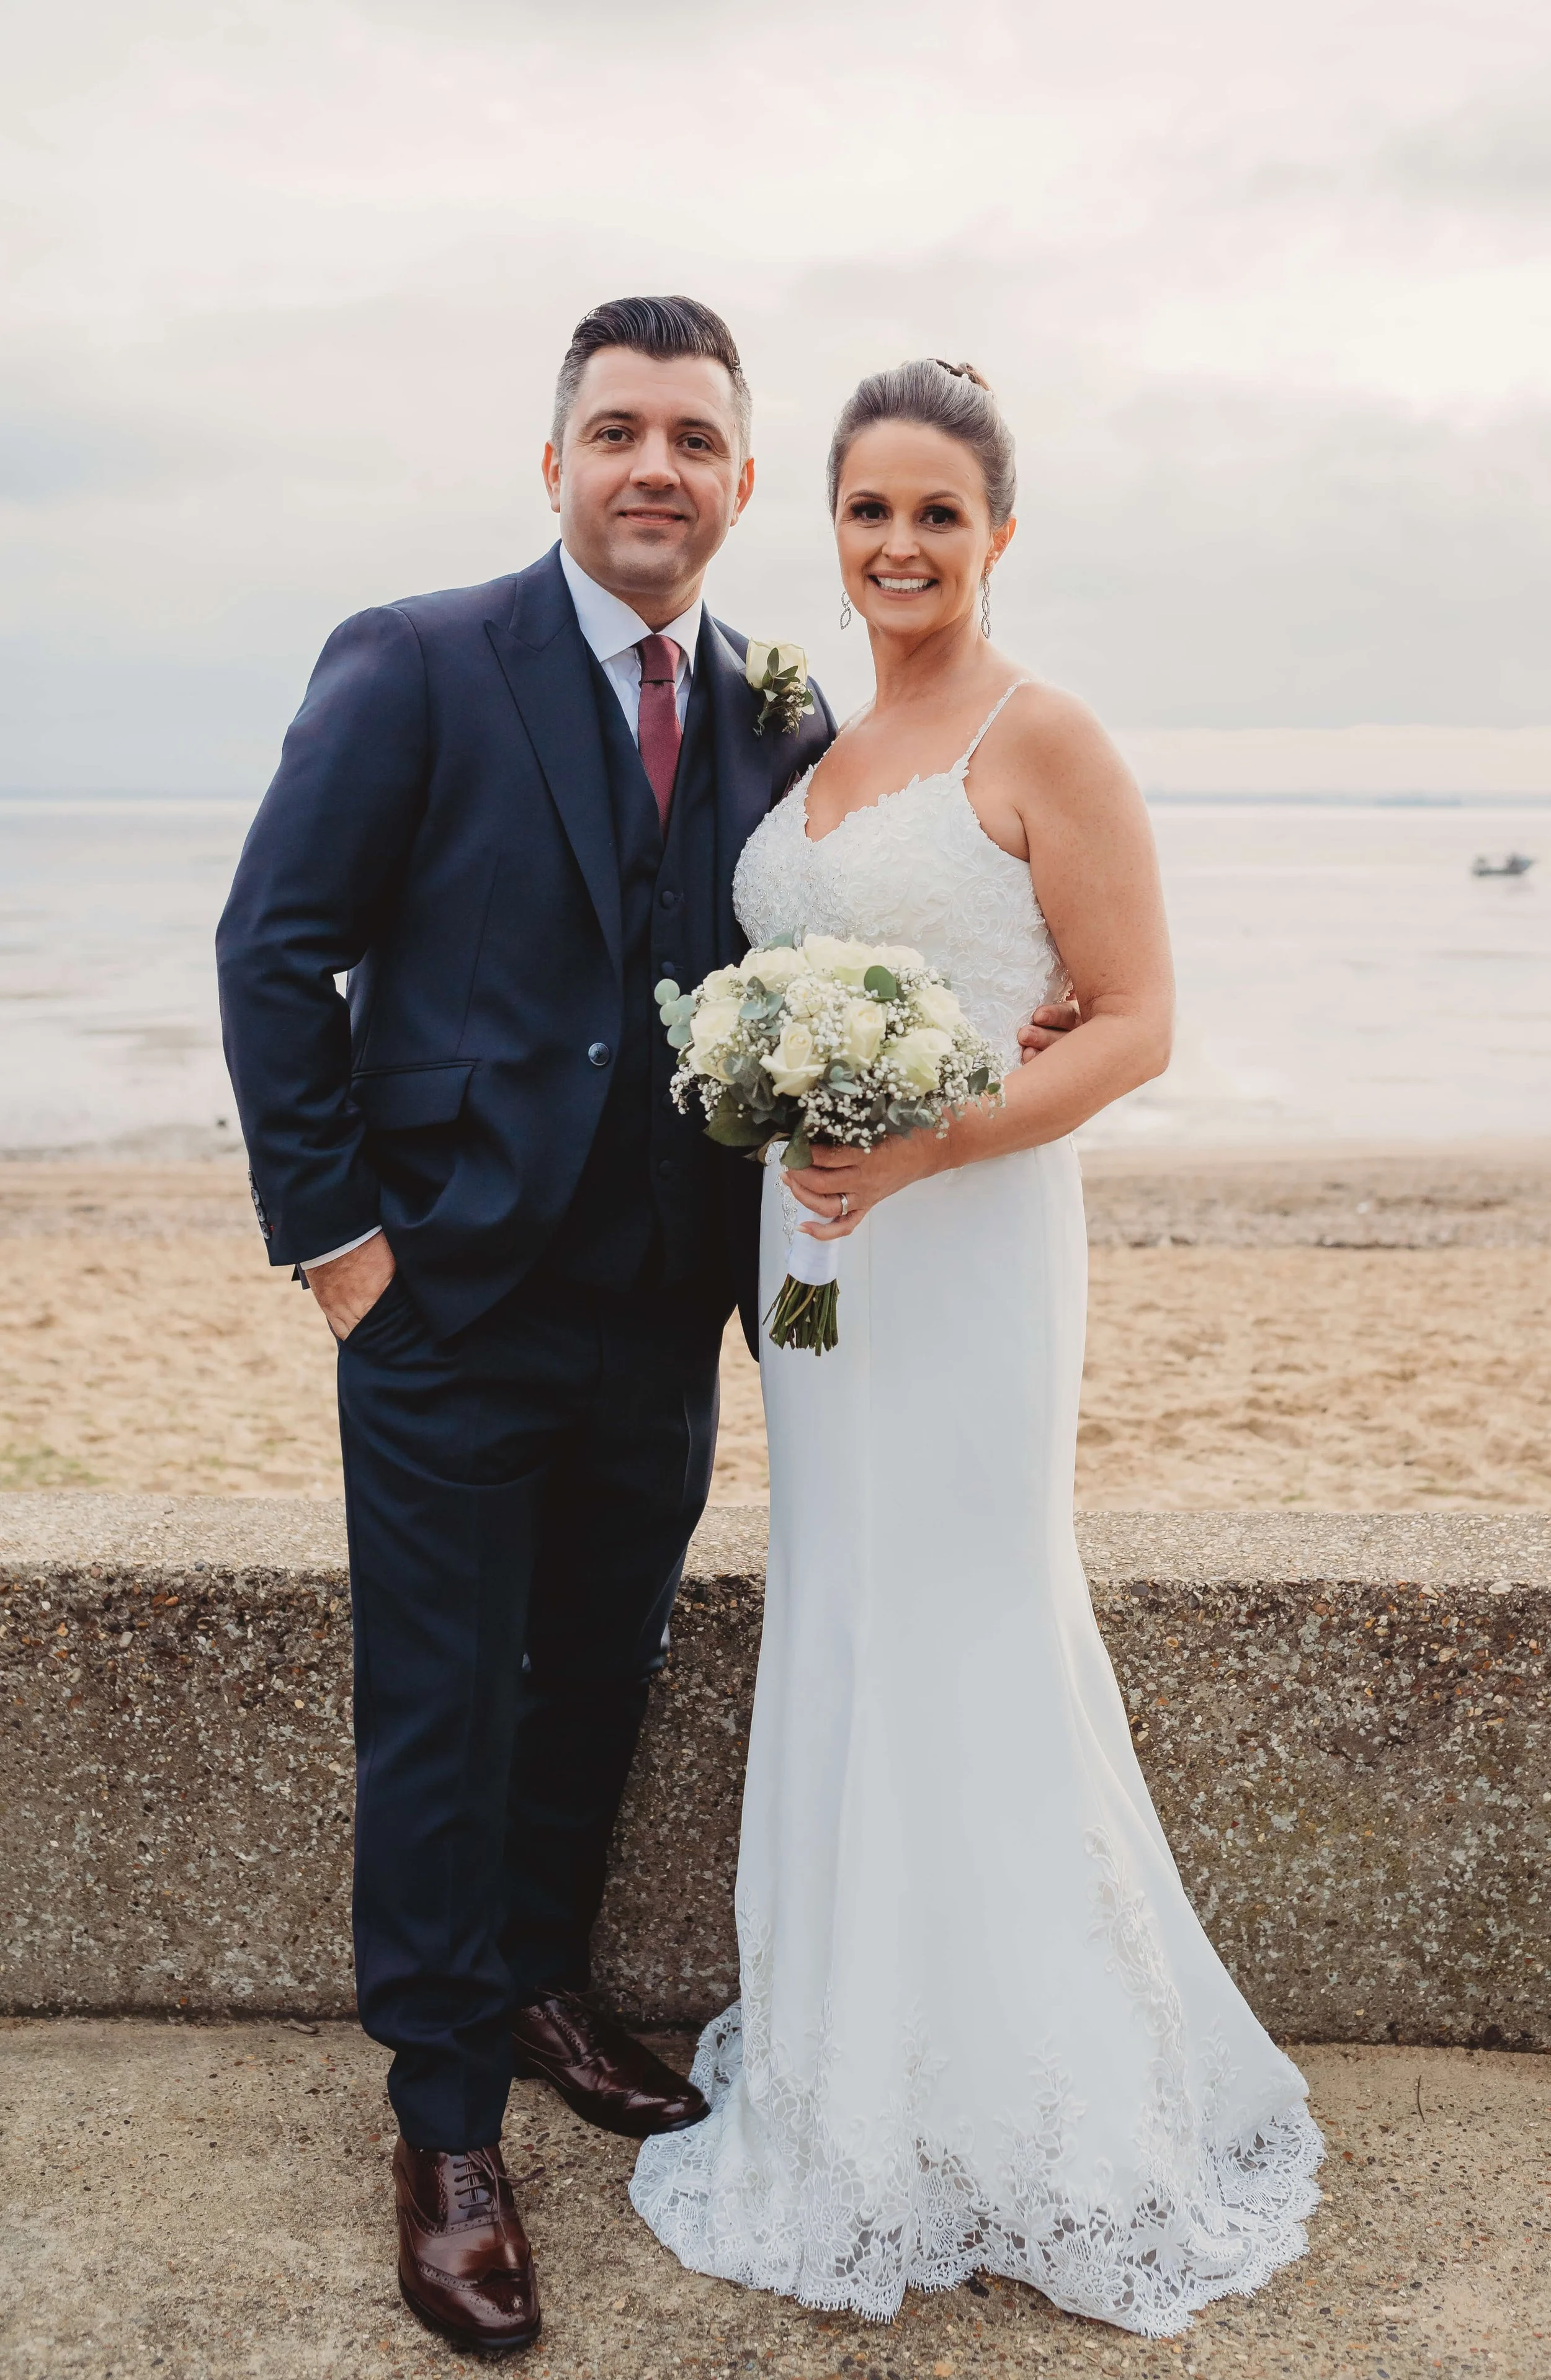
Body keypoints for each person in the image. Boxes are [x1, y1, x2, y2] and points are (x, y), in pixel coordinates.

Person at [217, 293, 1081, 2353]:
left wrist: (1013, 1017)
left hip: (671, 1314)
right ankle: (440, 2126)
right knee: (441, 1707)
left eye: (694, 440)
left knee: (595, 1672)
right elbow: (278, 948)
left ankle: (534, 1984)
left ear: (737, 486)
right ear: (554, 464)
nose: (653, 469)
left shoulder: (777, 716)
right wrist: (339, 1245)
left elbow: (846, 910)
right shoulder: (416, 660)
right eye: (617, 432)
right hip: (443, 1310)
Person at [630, 359, 1325, 2338]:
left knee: (961, 1611)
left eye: (939, 512)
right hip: (819, 1257)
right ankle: (864, 2069)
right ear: (826, 530)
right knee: (841, 1606)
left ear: (997, 533)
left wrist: (938, 1137)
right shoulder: (822, 748)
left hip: (972, 1239)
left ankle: (1036, 2095)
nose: (901, 544)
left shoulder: (1048, 735)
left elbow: (1131, 1019)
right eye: (869, 511)